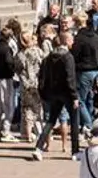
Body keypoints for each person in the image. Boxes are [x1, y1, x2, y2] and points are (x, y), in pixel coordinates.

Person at [33, 30, 82, 161]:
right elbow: (70, 78)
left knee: (50, 121)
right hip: (67, 93)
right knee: (74, 121)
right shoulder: (68, 57)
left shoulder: (49, 57)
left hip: (54, 93)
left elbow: (43, 75)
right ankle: (75, 151)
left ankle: (38, 148)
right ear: (66, 41)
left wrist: (45, 92)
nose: (73, 42)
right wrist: (74, 96)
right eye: (71, 39)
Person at [72, 13, 98, 128]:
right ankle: (90, 120)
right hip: (96, 69)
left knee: (79, 99)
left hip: (84, 70)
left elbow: (75, 55)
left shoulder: (80, 38)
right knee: (90, 98)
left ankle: (89, 124)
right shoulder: (94, 36)